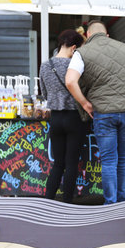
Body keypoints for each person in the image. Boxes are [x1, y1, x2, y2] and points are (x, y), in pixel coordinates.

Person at [65, 20, 125, 204]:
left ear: (87, 36)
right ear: (107, 35)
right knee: (124, 159)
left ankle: (110, 204)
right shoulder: (124, 48)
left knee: (108, 161)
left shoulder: (82, 53)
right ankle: (122, 202)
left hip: (103, 112)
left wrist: (85, 103)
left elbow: (70, 81)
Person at [40, 29, 86, 203]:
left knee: (58, 163)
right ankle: (67, 202)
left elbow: (44, 93)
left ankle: (48, 200)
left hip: (56, 118)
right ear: (74, 48)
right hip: (75, 118)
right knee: (72, 163)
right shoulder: (76, 66)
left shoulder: (45, 65)